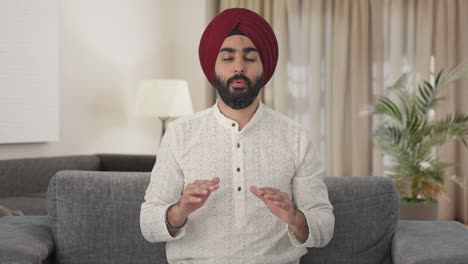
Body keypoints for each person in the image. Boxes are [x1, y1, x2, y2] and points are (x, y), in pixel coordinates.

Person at [140, 7, 334, 264]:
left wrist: (295, 217)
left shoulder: (296, 137)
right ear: (213, 65)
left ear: (265, 66)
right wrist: (180, 211)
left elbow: (324, 225)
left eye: (250, 58)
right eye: (228, 58)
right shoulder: (179, 134)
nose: (239, 67)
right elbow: (148, 223)